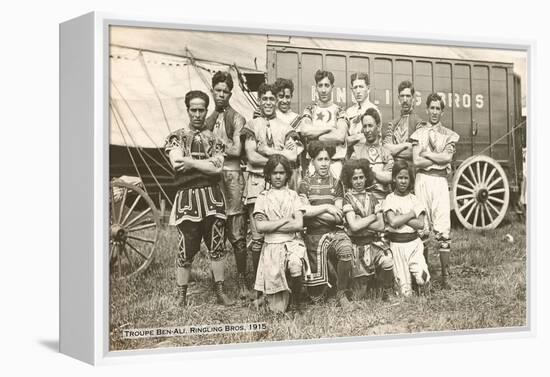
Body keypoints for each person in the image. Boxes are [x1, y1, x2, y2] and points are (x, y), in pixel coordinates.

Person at [164, 90, 234, 307]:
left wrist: (192, 163)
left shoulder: (215, 139)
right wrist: (205, 164)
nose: (197, 114)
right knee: (185, 246)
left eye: (201, 110)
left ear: (206, 111)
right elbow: (176, 163)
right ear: (188, 110)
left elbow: (217, 168)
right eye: (193, 109)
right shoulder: (176, 137)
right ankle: (181, 294)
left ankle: (220, 291)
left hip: (212, 198)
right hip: (187, 199)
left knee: (217, 245)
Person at [242, 83, 302, 280]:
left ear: (276, 101)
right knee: (258, 236)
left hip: (281, 186)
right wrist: (279, 159)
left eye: (272, 99)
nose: (268, 102)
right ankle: (259, 282)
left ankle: (282, 277)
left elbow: (292, 157)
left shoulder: (286, 128)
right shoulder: (252, 126)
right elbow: (251, 156)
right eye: (264, 99)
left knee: (282, 232)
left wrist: (267, 152)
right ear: (259, 101)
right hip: (257, 184)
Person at [204, 71, 249, 299]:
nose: (221, 95)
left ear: (230, 93)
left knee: (237, 231)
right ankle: (218, 283)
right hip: (214, 179)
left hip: (232, 179)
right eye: (217, 90)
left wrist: (215, 143)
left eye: (225, 91)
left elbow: (236, 150)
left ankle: (242, 281)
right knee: (216, 228)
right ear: (212, 91)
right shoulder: (208, 119)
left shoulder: (237, 118)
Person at [410, 93, 459, 289]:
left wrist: (428, 154)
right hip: (422, 180)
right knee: (422, 228)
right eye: (432, 108)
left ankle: (446, 277)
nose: (434, 112)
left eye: (438, 108)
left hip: (439, 182)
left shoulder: (449, 134)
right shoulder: (418, 134)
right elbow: (416, 161)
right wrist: (436, 158)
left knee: (442, 228)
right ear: (427, 109)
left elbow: (447, 159)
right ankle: (424, 276)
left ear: (442, 111)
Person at [298, 141, 354, 309]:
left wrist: (314, 213)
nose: (323, 163)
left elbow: (337, 217)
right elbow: (303, 213)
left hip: (333, 232)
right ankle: (322, 290)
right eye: (319, 159)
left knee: (345, 248)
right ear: (313, 161)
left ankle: (341, 293)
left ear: (330, 161)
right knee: (316, 297)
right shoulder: (305, 184)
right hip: (313, 234)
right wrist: (326, 207)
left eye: (326, 159)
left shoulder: (337, 184)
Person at [253, 154, 311, 312]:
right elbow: (260, 227)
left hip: (291, 243)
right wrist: (285, 221)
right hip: (271, 246)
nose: (278, 176)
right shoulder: (262, 197)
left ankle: (296, 302)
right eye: (274, 173)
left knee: (295, 263)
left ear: (287, 175)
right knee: (276, 309)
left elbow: (298, 224)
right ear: (269, 175)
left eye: (281, 173)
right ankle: (277, 297)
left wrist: (272, 225)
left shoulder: (293, 196)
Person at [340, 159, 395, 301]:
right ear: (349, 180)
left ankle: (385, 289)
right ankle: (364, 285)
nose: (358, 181)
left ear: (366, 178)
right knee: (360, 295)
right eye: (354, 178)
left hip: (373, 244)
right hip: (357, 246)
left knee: (388, 262)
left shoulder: (373, 198)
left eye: (361, 177)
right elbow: (354, 227)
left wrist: (362, 221)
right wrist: (372, 218)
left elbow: (381, 226)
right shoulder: (347, 199)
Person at [383, 160, 430, 297]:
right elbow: (392, 221)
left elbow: (420, 224)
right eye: (400, 177)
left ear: (410, 180)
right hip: (397, 245)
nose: (403, 181)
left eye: (406, 178)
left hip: (414, 244)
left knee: (424, 278)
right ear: (394, 179)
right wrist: (411, 214)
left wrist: (403, 217)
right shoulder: (390, 199)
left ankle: (421, 288)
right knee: (404, 292)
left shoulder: (414, 199)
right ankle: (408, 287)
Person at [299, 70, 348, 179]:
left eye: (327, 85)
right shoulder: (310, 110)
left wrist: (314, 137)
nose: (324, 90)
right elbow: (304, 130)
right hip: (314, 164)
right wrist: (330, 128)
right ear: (316, 87)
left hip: (335, 164)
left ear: (332, 87)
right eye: (320, 86)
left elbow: (340, 136)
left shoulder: (340, 111)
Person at [350, 108, 394, 201]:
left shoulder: (386, 152)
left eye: (370, 126)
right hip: (362, 200)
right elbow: (351, 179)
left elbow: (389, 177)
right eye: (364, 126)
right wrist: (379, 174)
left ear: (378, 127)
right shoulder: (356, 152)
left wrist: (370, 172)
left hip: (383, 199)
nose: (367, 130)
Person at [383, 80, 423, 161]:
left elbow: (417, 152)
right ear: (398, 98)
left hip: (411, 169)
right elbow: (385, 147)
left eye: (408, 96)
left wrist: (394, 151)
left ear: (413, 98)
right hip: (394, 169)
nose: (405, 100)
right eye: (402, 96)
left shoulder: (418, 123)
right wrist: (406, 145)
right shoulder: (393, 123)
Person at [345, 72, 381, 157]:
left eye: (361, 87)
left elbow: (372, 138)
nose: (358, 91)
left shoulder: (374, 110)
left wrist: (352, 139)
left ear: (368, 89)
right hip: (351, 157)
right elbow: (344, 140)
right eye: (355, 87)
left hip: (369, 155)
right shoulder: (349, 112)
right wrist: (358, 137)